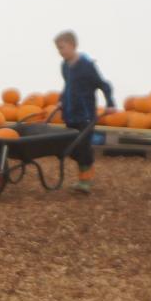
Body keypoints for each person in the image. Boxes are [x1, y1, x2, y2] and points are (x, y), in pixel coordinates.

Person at [54, 30, 113, 195]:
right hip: (70, 113)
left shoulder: (87, 66)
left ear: (73, 45)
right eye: (58, 49)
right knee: (71, 147)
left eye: (62, 48)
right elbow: (67, 86)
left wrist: (110, 103)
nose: (60, 52)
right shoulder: (65, 66)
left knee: (83, 147)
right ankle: (84, 175)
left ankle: (85, 181)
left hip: (85, 115)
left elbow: (103, 85)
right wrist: (61, 100)